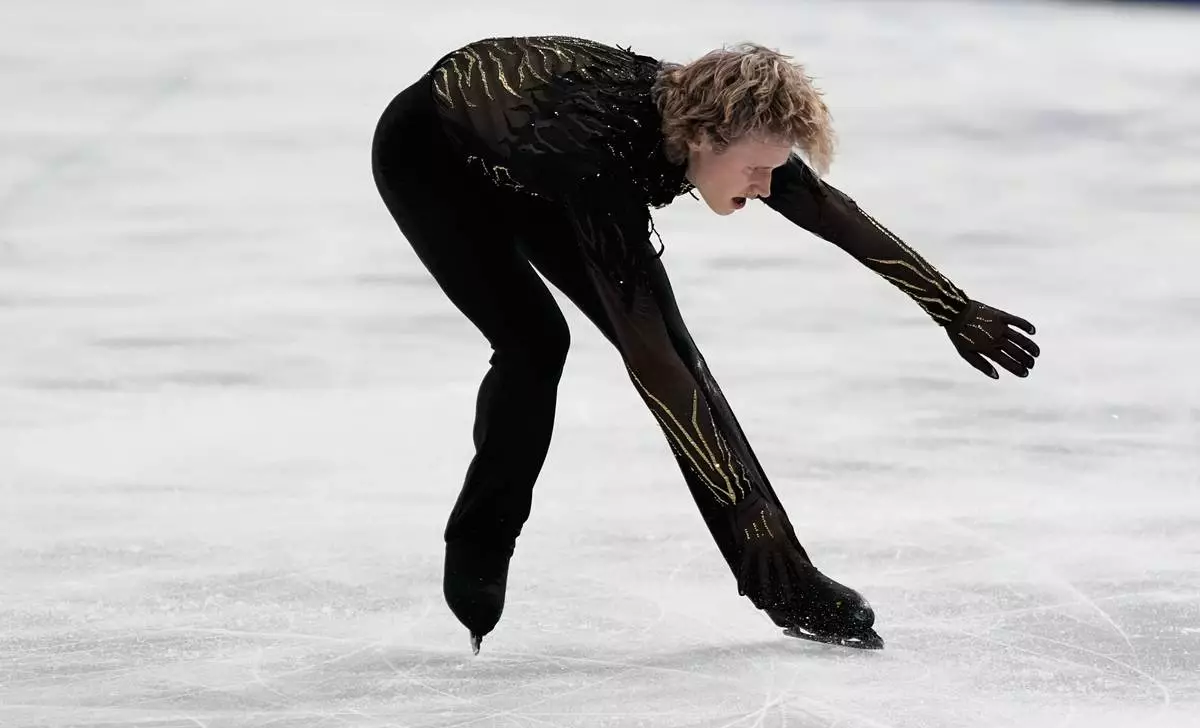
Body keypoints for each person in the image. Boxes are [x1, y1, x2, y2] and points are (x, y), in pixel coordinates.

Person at [370, 35, 1040, 654]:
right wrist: (747, 509)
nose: (765, 186)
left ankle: (785, 581)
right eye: (755, 170)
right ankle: (482, 542)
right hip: (432, 162)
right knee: (537, 343)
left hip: (530, 159)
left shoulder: (721, 126)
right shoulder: (600, 159)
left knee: (682, 356)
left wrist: (953, 308)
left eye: (775, 170)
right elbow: (651, 365)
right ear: (705, 139)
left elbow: (832, 212)